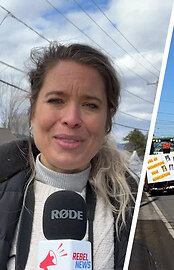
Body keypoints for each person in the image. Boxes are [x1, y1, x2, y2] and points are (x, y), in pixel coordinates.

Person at [0, 43, 137, 269]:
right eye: (56, 100)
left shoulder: (130, 207)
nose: (71, 118)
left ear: (108, 121)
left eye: (90, 105)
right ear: (32, 110)